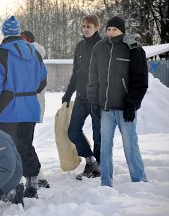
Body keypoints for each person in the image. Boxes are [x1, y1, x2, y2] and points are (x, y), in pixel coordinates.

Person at [0, 15, 48, 198]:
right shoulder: (34, 52)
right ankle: (32, 182)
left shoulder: (1, 53)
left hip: (8, 109)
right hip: (30, 107)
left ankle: (12, 186)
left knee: (7, 149)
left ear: (4, 33)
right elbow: (42, 80)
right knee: (26, 145)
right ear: (18, 32)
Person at [87, 16, 148, 187]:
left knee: (130, 145)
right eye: (108, 29)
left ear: (122, 31)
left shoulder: (133, 48)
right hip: (106, 107)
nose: (110, 32)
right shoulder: (99, 48)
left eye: (114, 29)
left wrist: (132, 104)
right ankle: (106, 183)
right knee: (104, 147)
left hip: (125, 108)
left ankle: (139, 181)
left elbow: (140, 80)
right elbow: (93, 78)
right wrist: (94, 101)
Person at [61, 15, 102, 180]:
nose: (85, 29)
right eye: (83, 26)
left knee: (98, 134)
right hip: (82, 98)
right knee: (73, 131)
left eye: (89, 26)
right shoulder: (79, 46)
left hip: (98, 98)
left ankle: (99, 164)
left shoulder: (102, 45)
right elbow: (76, 73)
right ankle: (90, 159)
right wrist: (68, 93)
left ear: (97, 27)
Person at [20, 30, 50, 188]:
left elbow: (38, 85)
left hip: (30, 107)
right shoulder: (31, 58)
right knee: (25, 142)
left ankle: (37, 176)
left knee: (24, 143)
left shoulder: (33, 58)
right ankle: (38, 176)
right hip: (27, 107)